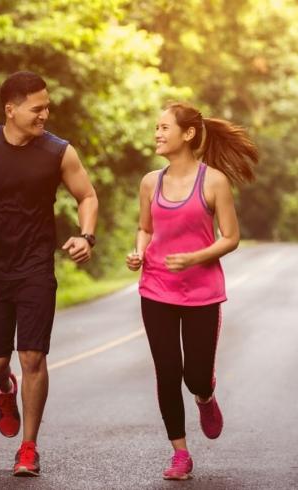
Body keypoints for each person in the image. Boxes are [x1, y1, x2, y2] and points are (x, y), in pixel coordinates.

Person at [0, 71, 99, 477]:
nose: (45, 114)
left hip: (35, 264)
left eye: (47, 106)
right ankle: (4, 388)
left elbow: (86, 195)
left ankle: (29, 448)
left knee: (34, 355)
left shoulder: (58, 152)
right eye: (37, 108)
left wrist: (87, 235)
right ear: (11, 109)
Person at [126, 102, 258, 480]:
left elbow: (231, 238)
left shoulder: (213, 181)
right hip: (155, 288)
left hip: (202, 293)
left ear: (187, 134)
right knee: (167, 372)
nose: (157, 133)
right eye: (156, 127)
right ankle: (180, 454)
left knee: (194, 376)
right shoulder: (150, 181)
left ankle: (205, 394)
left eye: (165, 127)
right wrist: (139, 250)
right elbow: (146, 228)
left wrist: (194, 257)